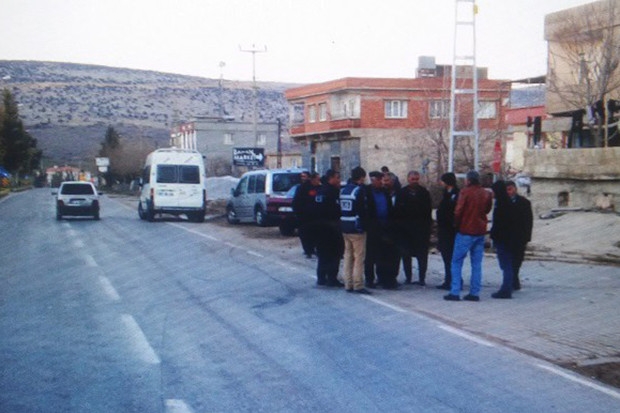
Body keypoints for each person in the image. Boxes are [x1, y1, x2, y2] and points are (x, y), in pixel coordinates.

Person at [444, 170, 493, 302]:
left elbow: (458, 210)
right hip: (480, 231)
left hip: (465, 230)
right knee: (476, 264)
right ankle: (474, 293)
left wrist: (456, 223)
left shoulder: (465, 192)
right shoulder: (486, 193)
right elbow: (487, 210)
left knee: (456, 261)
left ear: (469, 180)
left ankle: (455, 291)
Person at [394, 171, 432, 286]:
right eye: (412, 179)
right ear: (408, 179)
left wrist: (427, 228)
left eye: (416, 179)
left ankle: (421, 278)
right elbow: (397, 212)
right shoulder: (402, 193)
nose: (415, 181)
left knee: (422, 256)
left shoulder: (424, 192)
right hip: (406, 230)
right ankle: (408, 277)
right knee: (406, 255)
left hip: (421, 230)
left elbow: (428, 211)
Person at [340, 166, 371, 294]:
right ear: (361, 177)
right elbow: (363, 210)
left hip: (344, 226)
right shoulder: (358, 191)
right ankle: (358, 284)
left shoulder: (343, 190)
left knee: (347, 256)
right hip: (356, 228)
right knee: (359, 257)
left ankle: (348, 283)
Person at [364, 171, 396, 289]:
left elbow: (389, 208)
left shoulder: (384, 192)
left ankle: (383, 278)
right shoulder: (366, 192)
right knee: (370, 256)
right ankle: (369, 279)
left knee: (384, 254)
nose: (380, 182)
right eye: (378, 180)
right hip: (372, 228)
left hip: (385, 227)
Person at [313, 169, 344, 287]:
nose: (339, 180)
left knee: (323, 253)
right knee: (334, 253)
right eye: (337, 177)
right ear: (331, 178)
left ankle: (321, 277)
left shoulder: (320, 190)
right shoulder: (332, 192)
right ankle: (332, 278)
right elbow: (335, 210)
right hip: (331, 227)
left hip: (320, 226)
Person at [505, 180, 533, 291]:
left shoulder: (524, 202)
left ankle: (514, 278)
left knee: (517, 259)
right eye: (506, 190)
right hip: (507, 237)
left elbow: (528, 221)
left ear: (515, 189)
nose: (508, 192)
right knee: (508, 260)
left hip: (519, 237)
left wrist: (527, 237)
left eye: (510, 189)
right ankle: (511, 281)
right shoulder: (503, 202)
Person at [490, 180, 515, 299]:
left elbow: (501, 223)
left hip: (504, 238)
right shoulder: (505, 201)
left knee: (505, 264)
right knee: (506, 264)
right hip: (507, 238)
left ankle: (506, 289)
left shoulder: (502, 203)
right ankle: (507, 287)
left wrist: (494, 234)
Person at [435, 172, 459, 290]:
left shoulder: (456, 195)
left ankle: (453, 279)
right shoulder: (446, 194)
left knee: (451, 256)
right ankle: (449, 278)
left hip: (451, 230)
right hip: (444, 229)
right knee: (446, 256)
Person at [292, 171, 318, 258]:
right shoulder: (301, 188)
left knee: (313, 233)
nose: (303, 178)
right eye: (302, 176)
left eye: (305, 176)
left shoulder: (315, 187)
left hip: (313, 216)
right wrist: (298, 213)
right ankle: (308, 250)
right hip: (303, 216)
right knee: (304, 233)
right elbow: (296, 202)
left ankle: (312, 249)